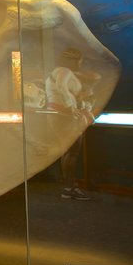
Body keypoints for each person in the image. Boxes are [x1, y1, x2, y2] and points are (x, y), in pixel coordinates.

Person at [45, 47, 98, 201]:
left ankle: (69, 186)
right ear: (74, 60)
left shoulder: (60, 71)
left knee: (68, 151)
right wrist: (71, 107)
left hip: (61, 114)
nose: (81, 63)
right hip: (64, 115)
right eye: (79, 60)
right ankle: (69, 188)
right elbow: (62, 87)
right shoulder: (64, 71)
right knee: (72, 151)